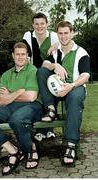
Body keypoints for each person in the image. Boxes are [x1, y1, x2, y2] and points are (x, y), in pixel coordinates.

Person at [0, 42, 44, 175]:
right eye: (18, 54)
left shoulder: (32, 70)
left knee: (17, 119)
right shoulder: (6, 75)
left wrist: (9, 95)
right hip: (10, 107)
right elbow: (0, 100)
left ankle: (31, 149)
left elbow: (31, 96)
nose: (20, 57)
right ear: (13, 56)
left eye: (23, 54)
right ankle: (13, 151)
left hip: (32, 107)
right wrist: (18, 92)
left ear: (28, 56)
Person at [36, 21, 90, 167]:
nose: (63, 36)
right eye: (60, 33)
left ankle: (70, 146)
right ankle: (51, 109)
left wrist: (71, 85)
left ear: (72, 33)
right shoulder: (55, 50)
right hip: (57, 88)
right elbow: (43, 66)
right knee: (41, 72)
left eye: (66, 33)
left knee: (74, 100)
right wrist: (55, 65)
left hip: (75, 87)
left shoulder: (81, 52)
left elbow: (85, 76)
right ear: (57, 34)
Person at [23, 12, 59, 141]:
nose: (39, 27)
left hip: (49, 72)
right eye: (36, 24)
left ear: (47, 24)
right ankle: (40, 130)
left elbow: (67, 43)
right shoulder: (28, 35)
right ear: (33, 25)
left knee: (50, 94)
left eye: (42, 23)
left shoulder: (54, 36)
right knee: (37, 99)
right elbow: (26, 54)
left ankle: (48, 129)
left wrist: (57, 44)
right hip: (34, 71)